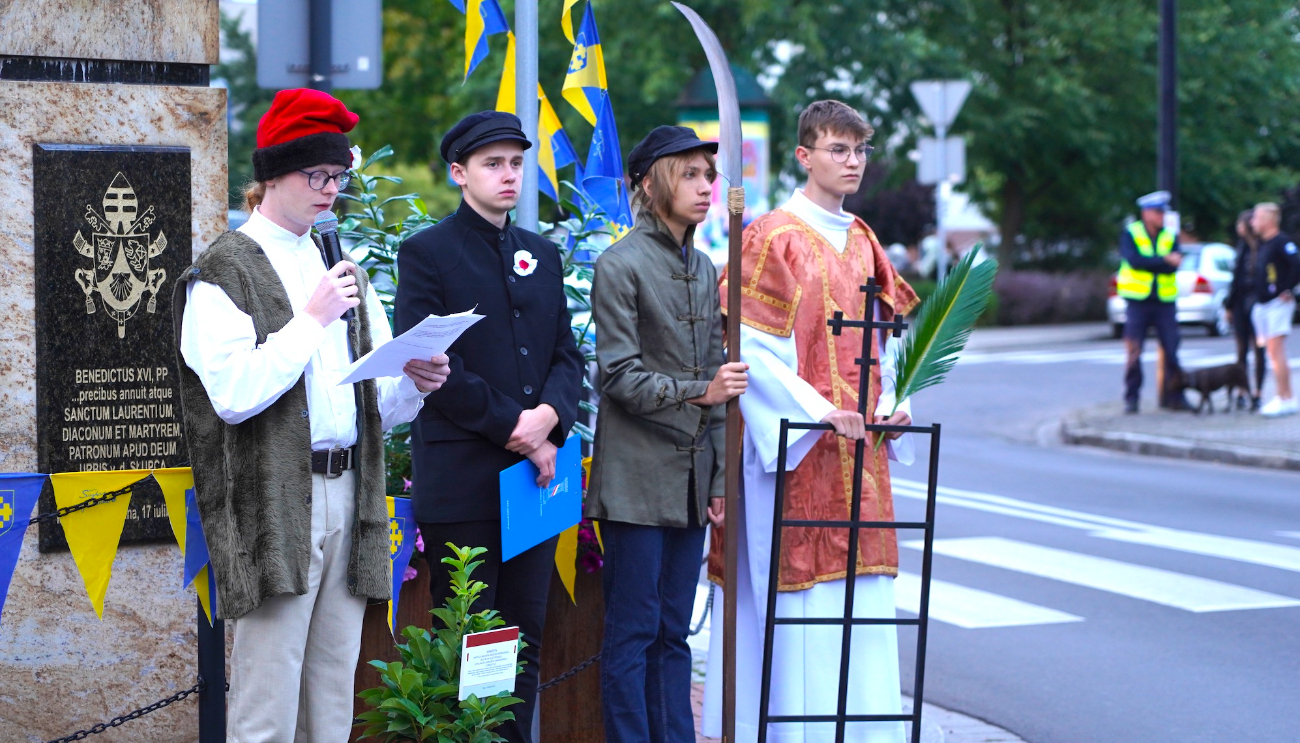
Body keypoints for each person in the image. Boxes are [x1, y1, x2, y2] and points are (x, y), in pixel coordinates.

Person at [173, 88, 452, 741]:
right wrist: (312, 320)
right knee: (267, 704)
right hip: (275, 498)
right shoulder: (221, 270)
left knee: (331, 695)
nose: (331, 190)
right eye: (316, 176)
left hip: (351, 490)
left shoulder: (339, 263)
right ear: (272, 175)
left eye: (338, 177)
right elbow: (234, 393)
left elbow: (373, 403)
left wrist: (414, 381)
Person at [702, 100, 920, 743]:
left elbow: (894, 338)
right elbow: (749, 350)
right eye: (837, 150)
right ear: (805, 155)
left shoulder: (865, 239)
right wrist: (820, 413)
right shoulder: (771, 234)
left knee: (862, 596)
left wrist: (903, 399)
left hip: (861, 452)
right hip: (793, 449)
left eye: (859, 151)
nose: (851, 163)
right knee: (793, 592)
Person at [394, 110, 584, 742]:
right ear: (459, 173)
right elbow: (428, 362)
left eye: (515, 163)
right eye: (492, 164)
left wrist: (549, 421)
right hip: (466, 477)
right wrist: (517, 427)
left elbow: (565, 355)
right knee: (473, 638)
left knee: (524, 635)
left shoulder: (542, 253)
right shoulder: (427, 253)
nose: (508, 175)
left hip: (536, 475)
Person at [585, 126, 748, 743]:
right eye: (690, 175)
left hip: (689, 484)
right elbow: (619, 376)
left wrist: (720, 482)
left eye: (709, 176)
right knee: (634, 630)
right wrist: (697, 391)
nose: (706, 187)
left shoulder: (705, 268)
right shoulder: (619, 264)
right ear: (652, 185)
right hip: (633, 482)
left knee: (676, 631)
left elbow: (721, 382)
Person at [1116, 190, 1190, 413]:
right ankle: (1131, 398)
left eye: (1162, 212)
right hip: (1138, 302)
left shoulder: (1170, 235)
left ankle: (1176, 397)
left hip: (1164, 302)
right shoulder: (1131, 233)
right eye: (1157, 212)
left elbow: (1174, 262)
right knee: (1134, 351)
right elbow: (1135, 261)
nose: (1161, 216)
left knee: (1172, 349)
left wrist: (1159, 262)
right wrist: (1163, 260)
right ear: (1146, 213)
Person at [1248, 202, 1300, 417]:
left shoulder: (1281, 242)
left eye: (1256, 218)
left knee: (1276, 352)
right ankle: (1286, 397)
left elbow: (1297, 263)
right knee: (1273, 352)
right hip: (1264, 304)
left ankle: (1284, 397)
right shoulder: (1264, 243)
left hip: (1277, 304)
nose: (1253, 222)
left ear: (1268, 220)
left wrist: (1287, 288)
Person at [1224, 209, 1266, 409]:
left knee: (1259, 349)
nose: (1237, 228)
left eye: (1240, 224)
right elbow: (1236, 279)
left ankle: (1258, 392)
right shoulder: (1242, 247)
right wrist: (1229, 305)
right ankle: (1242, 390)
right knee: (1242, 350)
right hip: (1241, 303)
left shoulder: (1262, 246)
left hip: (1256, 302)